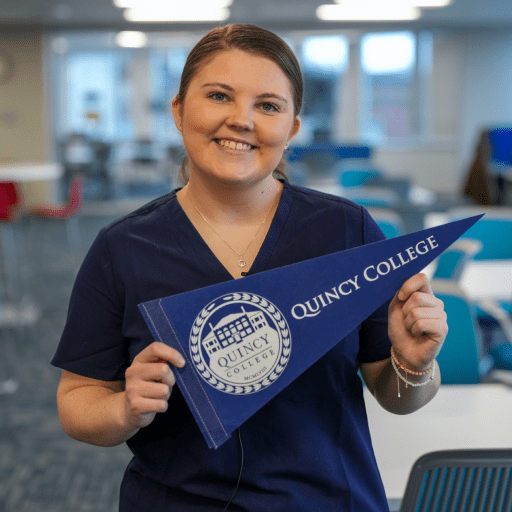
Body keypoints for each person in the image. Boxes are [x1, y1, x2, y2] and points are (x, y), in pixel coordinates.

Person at [52, 24, 448, 511]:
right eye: (219, 95)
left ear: (292, 128)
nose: (241, 120)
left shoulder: (346, 231)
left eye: (268, 105)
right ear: (178, 111)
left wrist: (414, 363)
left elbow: (397, 395)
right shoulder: (123, 247)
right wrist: (124, 408)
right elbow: (77, 401)